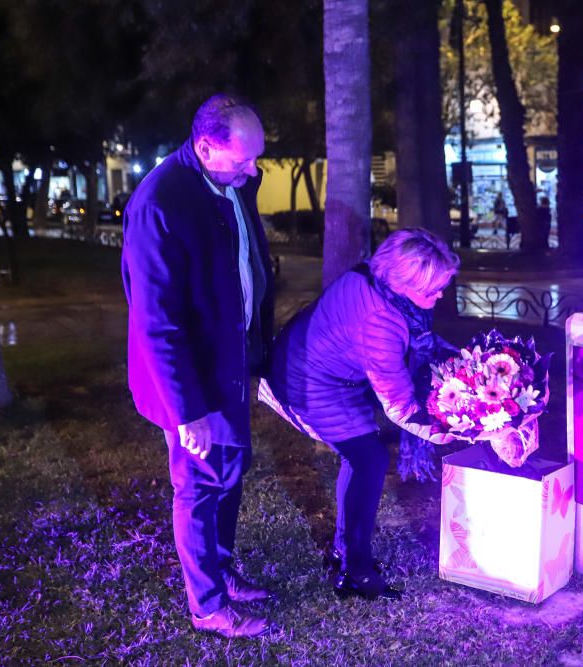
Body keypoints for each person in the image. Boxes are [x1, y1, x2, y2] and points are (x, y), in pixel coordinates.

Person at [121, 94, 275, 638]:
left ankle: (222, 570)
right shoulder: (159, 201)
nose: (253, 169)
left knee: (230, 474)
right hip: (193, 382)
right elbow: (156, 323)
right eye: (243, 159)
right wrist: (188, 412)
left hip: (230, 363)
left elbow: (243, 267)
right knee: (199, 486)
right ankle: (208, 607)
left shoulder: (229, 184)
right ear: (205, 146)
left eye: (256, 157)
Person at [259, 228, 459, 601]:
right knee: (368, 459)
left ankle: (343, 552)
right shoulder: (380, 322)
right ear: (402, 281)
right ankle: (355, 570)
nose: (440, 295)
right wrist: (445, 430)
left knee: (362, 455)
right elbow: (399, 404)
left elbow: (415, 350)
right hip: (310, 380)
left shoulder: (375, 277)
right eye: (432, 289)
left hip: (319, 363)